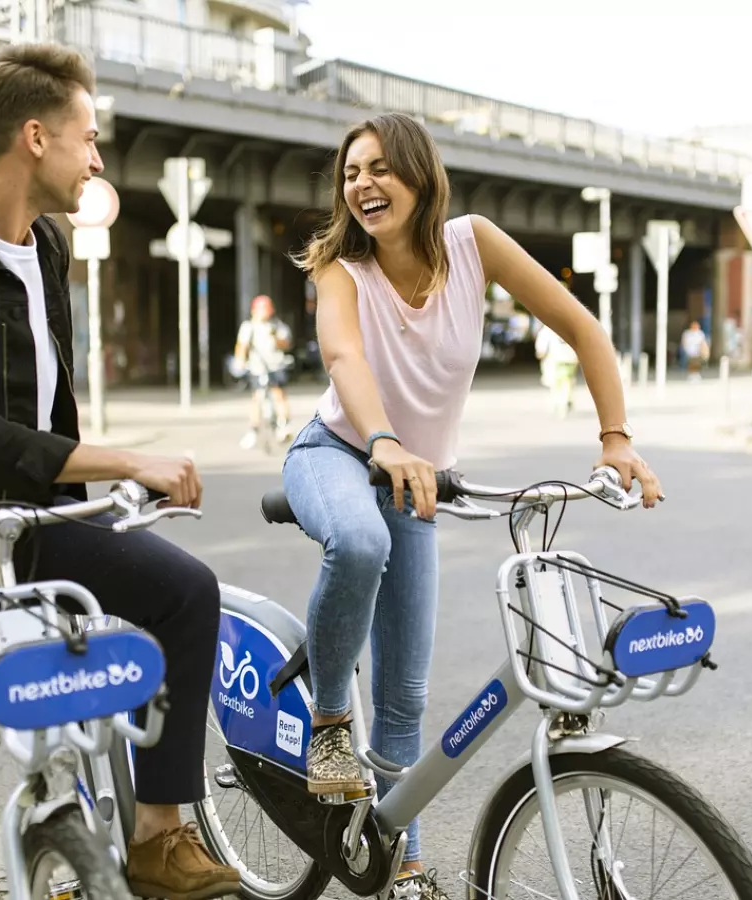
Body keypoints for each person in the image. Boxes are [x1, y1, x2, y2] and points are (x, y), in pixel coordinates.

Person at [0, 42, 239, 900]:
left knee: (184, 592)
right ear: (34, 137)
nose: (97, 158)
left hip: (33, 525)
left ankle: (157, 836)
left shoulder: (47, 245)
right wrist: (131, 460)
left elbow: (47, 411)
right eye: (87, 138)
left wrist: (99, 495)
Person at [283, 112, 663, 898]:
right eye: (352, 172)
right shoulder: (338, 270)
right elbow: (346, 357)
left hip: (415, 480)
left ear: (423, 176)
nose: (363, 183)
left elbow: (583, 328)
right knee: (359, 544)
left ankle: (405, 863)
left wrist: (616, 437)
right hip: (338, 455)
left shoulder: (473, 243)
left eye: (382, 167)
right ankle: (326, 727)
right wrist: (384, 440)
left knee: (406, 699)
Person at [233, 293, 293, 448]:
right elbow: (242, 346)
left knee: (279, 394)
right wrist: (239, 360)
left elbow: (286, 344)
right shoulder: (248, 327)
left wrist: (275, 337)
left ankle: (283, 424)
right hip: (257, 367)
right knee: (257, 397)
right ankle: (253, 429)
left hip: (275, 365)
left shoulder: (277, 326)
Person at [534, 318, 580, 417]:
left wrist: (541, 354)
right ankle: (566, 399)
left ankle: (561, 402)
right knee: (567, 381)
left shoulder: (547, 330)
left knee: (557, 383)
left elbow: (541, 347)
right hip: (569, 358)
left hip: (555, 359)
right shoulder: (570, 328)